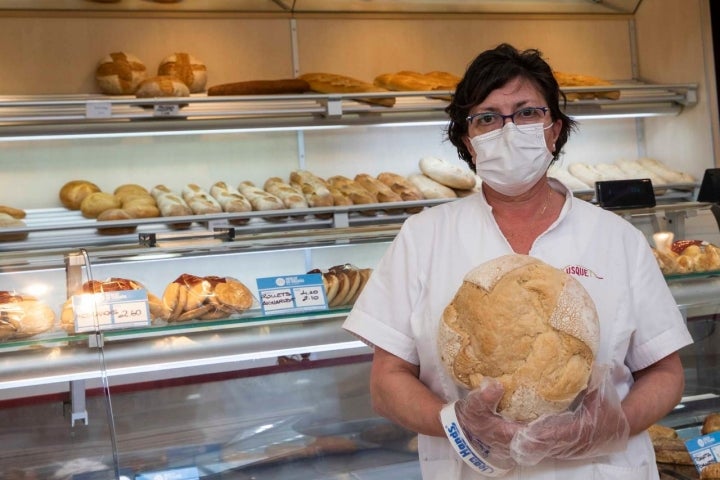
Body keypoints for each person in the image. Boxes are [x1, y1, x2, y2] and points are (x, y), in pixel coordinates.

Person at [342, 43, 693, 479]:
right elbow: (386, 382)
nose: (508, 129)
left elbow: (664, 372)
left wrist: (606, 426)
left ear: (554, 130)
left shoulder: (616, 237)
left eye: (527, 112)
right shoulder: (424, 236)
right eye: (487, 118)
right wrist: (455, 423)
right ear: (468, 143)